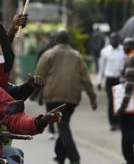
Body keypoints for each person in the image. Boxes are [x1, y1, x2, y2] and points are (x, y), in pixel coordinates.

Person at [35, 30, 97, 164]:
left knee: (63, 126)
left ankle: (75, 158)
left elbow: (39, 77)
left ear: (56, 40)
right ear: (68, 41)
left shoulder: (48, 54)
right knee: (64, 124)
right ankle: (60, 156)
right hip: (72, 97)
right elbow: (86, 79)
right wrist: (92, 98)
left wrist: (35, 94)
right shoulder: (77, 56)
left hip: (53, 96)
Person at [97, 32, 125, 131]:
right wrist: (99, 81)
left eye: (116, 39)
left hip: (120, 79)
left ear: (119, 40)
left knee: (120, 100)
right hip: (110, 79)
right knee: (111, 102)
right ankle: (113, 123)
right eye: (112, 39)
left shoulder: (123, 50)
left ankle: (120, 122)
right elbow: (101, 67)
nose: (114, 41)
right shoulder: (105, 51)